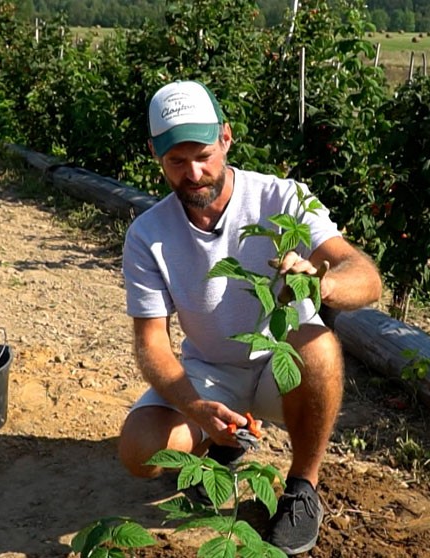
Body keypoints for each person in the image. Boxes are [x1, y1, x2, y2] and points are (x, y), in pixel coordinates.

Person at [119, 79, 382, 555]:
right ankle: (226, 444)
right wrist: (193, 405)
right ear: (157, 158)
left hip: (281, 367)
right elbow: (151, 343)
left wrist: (320, 283)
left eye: (203, 154)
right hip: (210, 372)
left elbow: (365, 275)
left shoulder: (282, 200)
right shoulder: (147, 234)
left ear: (226, 137)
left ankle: (303, 486)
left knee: (320, 345)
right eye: (176, 162)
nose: (193, 173)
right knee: (141, 451)